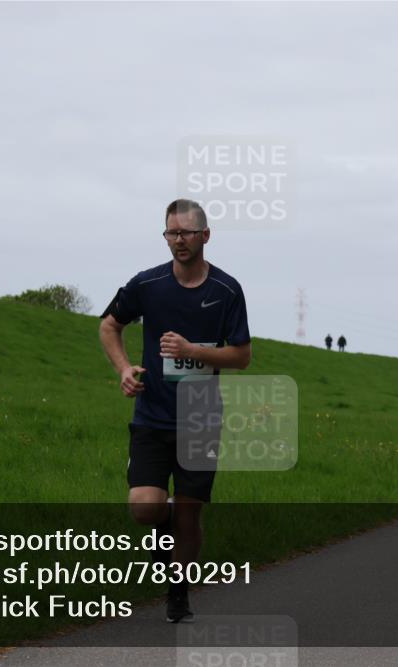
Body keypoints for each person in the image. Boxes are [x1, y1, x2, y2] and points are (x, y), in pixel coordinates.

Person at [99, 199, 251, 622]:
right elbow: (109, 324)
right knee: (145, 507)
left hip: (201, 416)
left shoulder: (226, 290)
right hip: (152, 414)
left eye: (186, 232)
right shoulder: (147, 285)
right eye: (171, 233)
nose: (178, 240)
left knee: (190, 514)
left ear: (205, 235)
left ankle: (178, 592)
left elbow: (241, 357)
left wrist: (191, 351)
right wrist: (124, 368)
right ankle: (160, 529)